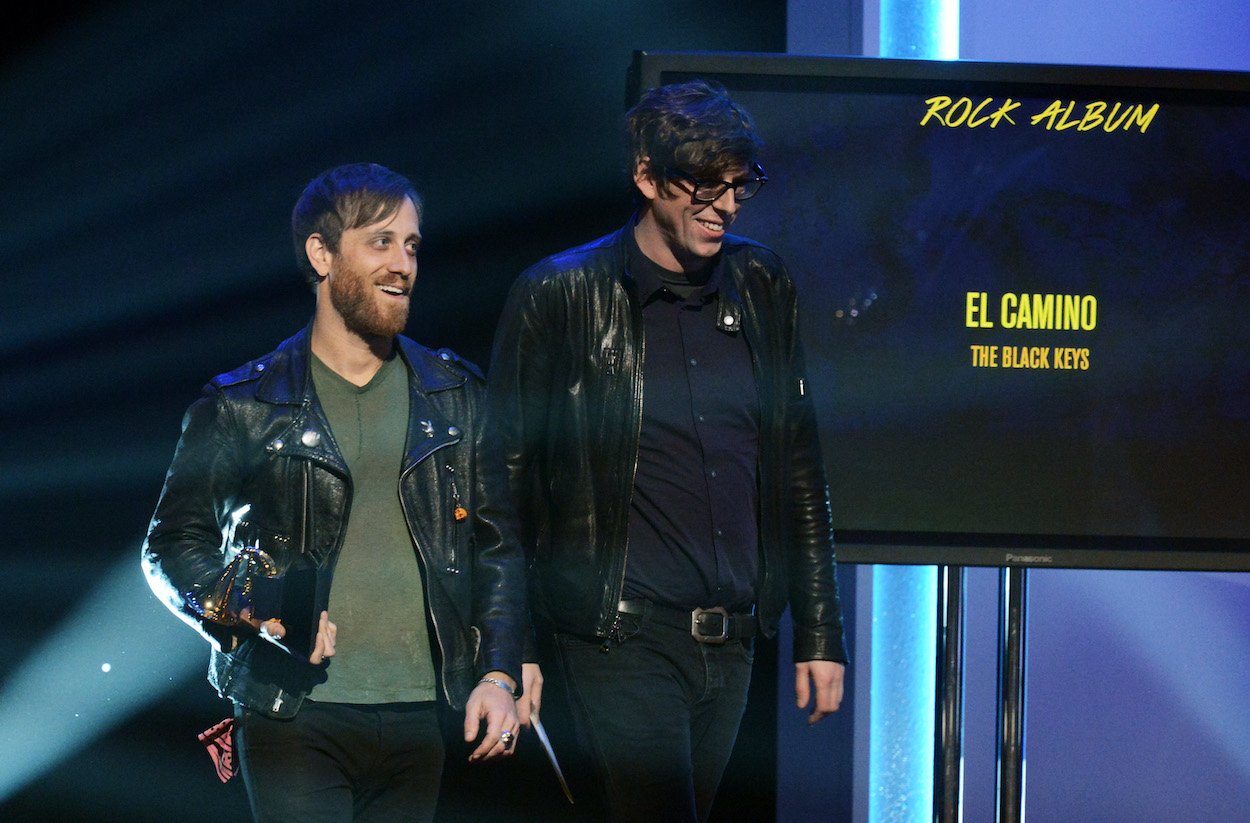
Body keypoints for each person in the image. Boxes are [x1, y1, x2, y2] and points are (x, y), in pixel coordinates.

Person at [485, 79, 850, 823]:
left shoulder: (761, 283)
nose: (725, 205)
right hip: (618, 636)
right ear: (647, 177)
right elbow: (505, 485)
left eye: (738, 185)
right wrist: (506, 649)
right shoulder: (560, 294)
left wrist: (820, 630)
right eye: (702, 186)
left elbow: (797, 463)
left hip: (732, 642)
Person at [141, 162, 527, 823]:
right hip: (292, 712)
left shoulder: (457, 395)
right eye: (381, 241)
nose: (404, 263)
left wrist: (498, 672)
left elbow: (498, 547)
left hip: (420, 716)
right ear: (322, 253)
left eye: (412, 244)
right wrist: (253, 604)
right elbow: (171, 544)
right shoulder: (245, 403)